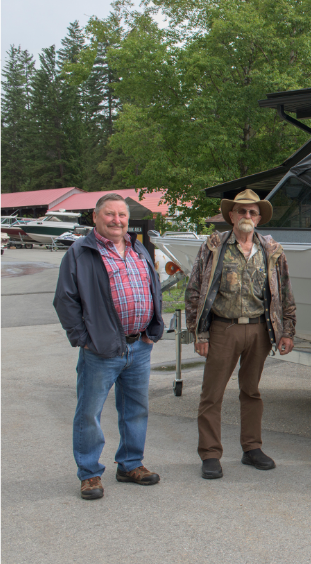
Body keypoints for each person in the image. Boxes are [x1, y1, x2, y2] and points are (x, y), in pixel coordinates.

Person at [54, 193, 164, 500]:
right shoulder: (80, 252)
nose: (117, 220)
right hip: (100, 350)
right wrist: (83, 340)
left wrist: (153, 327)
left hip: (138, 347)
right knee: (89, 412)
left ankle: (130, 464)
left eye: (122, 215)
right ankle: (89, 474)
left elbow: (152, 286)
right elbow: (65, 300)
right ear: (96, 217)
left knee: (136, 409)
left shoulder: (137, 247)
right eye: (110, 215)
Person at [185, 189, 296, 480]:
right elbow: (195, 289)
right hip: (223, 328)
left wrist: (287, 330)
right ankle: (210, 454)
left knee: (252, 391)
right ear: (231, 215)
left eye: (252, 212)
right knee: (212, 394)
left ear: (259, 218)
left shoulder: (272, 250)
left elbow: (284, 291)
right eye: (242, 211)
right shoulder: (213, 246)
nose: (247, 216)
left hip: (260, 329)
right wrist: (199, 333)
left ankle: (252, 448)